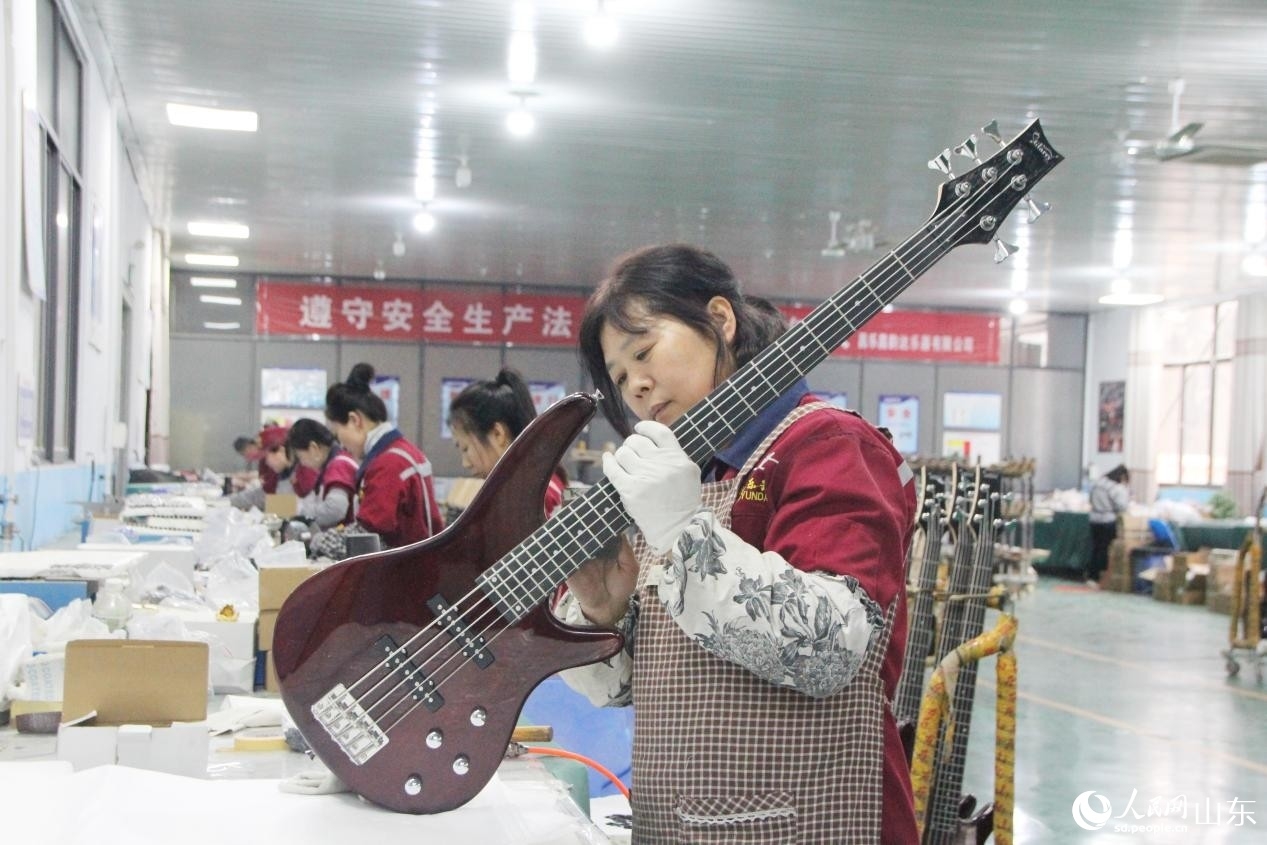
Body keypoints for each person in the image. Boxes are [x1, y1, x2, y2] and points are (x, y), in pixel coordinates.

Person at [555, 244, 918, 843]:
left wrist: (680, 532)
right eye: (619, 378)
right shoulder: (690, 473)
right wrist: (602, 612)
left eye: (643, 352)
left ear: (720, 319)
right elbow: (636, 684)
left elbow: (827, 648)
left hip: (813, 822)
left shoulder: (827, 445)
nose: (637, 386)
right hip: (681, 821)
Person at [320, 363, 443, 550]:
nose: (341, 444)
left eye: (338, 432)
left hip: (407, 565)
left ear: (354, 420)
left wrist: (319, 541)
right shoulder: (402, 452)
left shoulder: (389, 464)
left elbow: (368, 537)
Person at [448, 367, 568, 518]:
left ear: (498, 434)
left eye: (465, 448)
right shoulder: (526, 488)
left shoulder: (533, 496)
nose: (466, 463)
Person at [286, 418, 359, 529]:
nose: (302, 463)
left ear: (313, 448)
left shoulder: (338, 466)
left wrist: (296, 511)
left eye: (300, 457)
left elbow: (335, 510)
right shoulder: (330, 465)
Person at [229, 425, 318, 511]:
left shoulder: (307, 471)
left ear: (281, 450)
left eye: (267, 456)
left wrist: (268, 508)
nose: (266, 462)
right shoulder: (284, 471)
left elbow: (310, 507)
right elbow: (270, 492)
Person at [1087, 463, 1131, 587]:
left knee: (1096, 548)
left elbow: (1090, 500)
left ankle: (1092, 576)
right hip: (1108, 520)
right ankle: (1103, 577)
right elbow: (1122, 506)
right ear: (1122, 477)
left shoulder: (1097, 483)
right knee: (1105, 550)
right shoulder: (1115, 488)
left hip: (1094, 519)